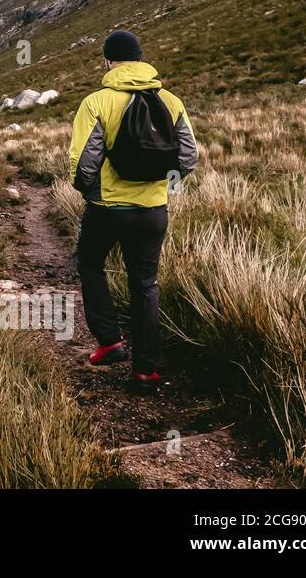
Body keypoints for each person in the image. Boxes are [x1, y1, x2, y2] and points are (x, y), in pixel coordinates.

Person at [67, 30, 198, 390]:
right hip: (154, 211)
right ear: (141, 59)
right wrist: (161, 188)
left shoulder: (96, 102)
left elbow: (83, 167)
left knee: (90, 264)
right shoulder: (171, 101)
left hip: (107, 209)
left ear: (109, 61)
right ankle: (146, 370)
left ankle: (109, 342)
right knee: (145, 284)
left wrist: (95, 194)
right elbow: (188, 158)